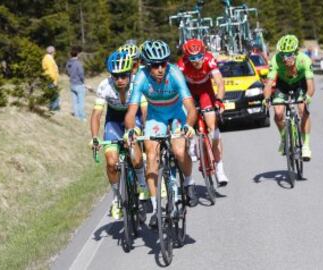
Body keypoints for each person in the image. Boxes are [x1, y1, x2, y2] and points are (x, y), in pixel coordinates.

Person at [124, 40, 198, 228]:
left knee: (179, 151)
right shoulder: (141, 77)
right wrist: (131, 130)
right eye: (155, 65)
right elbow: (131, 112)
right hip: (155, 116)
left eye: (163, 63)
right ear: (147, 66)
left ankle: (188, 183)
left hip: (176, 113)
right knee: (151, 155)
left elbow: (190, 107)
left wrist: (189, 125)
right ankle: (157, 208)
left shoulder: (174, 73)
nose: (160, 68)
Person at [90, 51, 148, 220]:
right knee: (111, 162)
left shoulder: (138, 84)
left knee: (135, 156)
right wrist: (95, 137)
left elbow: (144, 111)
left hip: (134, 118)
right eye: (116, 76)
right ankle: (116, 198)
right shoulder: (104, 86)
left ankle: (142, 185)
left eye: (123, 76)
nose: (120, 80)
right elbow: (96, 115)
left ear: (131, 73)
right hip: (113, 122)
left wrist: (146, 129)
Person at [177, 38, 229, 186]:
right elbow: (177, 87)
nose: (197, 60)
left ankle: (219, 168)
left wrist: (219, 100)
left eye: (199, 56)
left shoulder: (209, 59)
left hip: (206, 91)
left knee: (213, 128)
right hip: (189, 92)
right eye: (192, 57)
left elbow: (219, 82)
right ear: (187, 56)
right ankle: (191, 141)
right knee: (186, 120)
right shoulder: (182, 64)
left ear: (203, 53)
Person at [263, 34, 315, 161]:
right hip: (283, 85)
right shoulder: (275, 60)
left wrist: (308, 96)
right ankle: (284, 138)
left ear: (296, 52)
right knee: (279, 113)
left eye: (289, 54)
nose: (286, 58)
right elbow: (269, 83)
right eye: (283, 55)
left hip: (300, 85)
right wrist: (266, 98)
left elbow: (311, 85)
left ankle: (306, 145)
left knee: (303, 111)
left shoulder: (304, 60)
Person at [66, 46, 86, 121]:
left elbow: (67, 72)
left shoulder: (68, 63)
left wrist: (71, 76)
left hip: (72, 84)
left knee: (75, 101)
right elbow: (81, 73)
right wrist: (83, 81)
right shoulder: (78, 63)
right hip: (79, 84)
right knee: (81, 101)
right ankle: (82, 117)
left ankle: (76, 116)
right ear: (77, 54)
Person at [42, 46, 60, 111]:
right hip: (52, 79)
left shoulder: (45, 58)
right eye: (54, 51)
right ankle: (54, 107)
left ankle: (51, 106)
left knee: (50, 93)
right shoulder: (49, 59)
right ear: (52, 52)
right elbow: (51, 71)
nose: (55, 52)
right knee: (54, 94)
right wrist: (54, 80)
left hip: (48, 78)